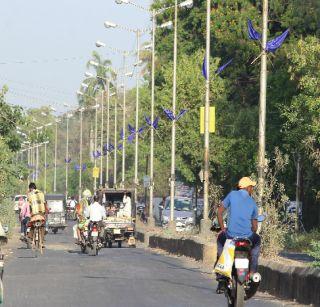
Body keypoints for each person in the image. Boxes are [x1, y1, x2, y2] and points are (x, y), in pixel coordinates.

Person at [216, 176, 260, 293]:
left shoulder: (231, 195)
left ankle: (221, 279)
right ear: (248, 188)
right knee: (257, 242)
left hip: (231, 236)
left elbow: (219, 212)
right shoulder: (253, 202)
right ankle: (252, 271)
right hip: (247, 237)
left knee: (221, 240)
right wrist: (251, 231)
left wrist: (222, 229)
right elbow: (255, 227)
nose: (252, 190)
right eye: (252, 187)